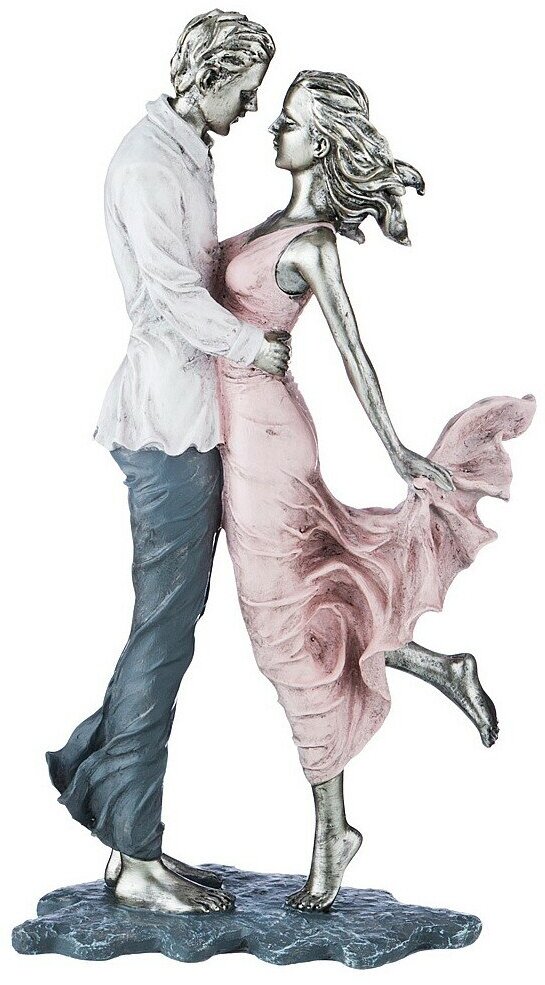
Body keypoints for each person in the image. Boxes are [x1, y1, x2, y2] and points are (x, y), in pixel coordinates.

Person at [216, 70, 535, 911]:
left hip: (267, 446)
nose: (273, 131)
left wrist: (395, 446)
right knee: (304, 611)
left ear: (319, 143)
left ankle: (332, 829)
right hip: (233, 433)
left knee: (286, 631)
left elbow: (353, 351)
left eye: (288, 122)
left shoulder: (312, 244)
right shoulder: (269, 224)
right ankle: (436, 665)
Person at [46, 10, 288, 915]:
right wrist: (253, 346)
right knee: (163, 634)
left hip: (191, 412)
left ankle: (108, 796)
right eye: (244, 89)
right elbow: (175, 295)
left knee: (166, 630)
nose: (252, 106)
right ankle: (135, 850)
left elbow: (201, 263)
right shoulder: (149, 163)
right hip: (168, 423)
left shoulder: (184, 149)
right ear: (208, 76)